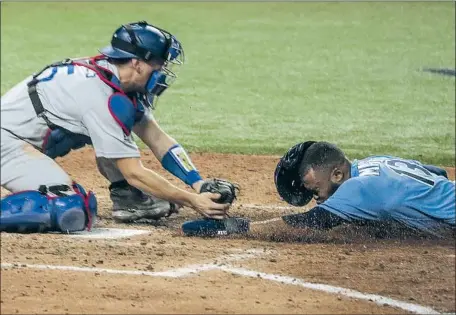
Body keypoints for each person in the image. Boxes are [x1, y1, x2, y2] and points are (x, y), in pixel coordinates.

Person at [1, 21, 232, 233]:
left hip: (23, 142)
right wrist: (191, 200)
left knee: (113, 136)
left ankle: (128, 198)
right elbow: (134, 172)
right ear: (137, 63)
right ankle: (126, 194)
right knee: (70, 208)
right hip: (6, 146)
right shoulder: (98, 96)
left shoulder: (117, 80)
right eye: (159, 65)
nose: (162, 73)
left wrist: (199, 183)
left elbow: (158, 139)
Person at [274, 141, 455, 237]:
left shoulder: (356, 187)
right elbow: (437, 172)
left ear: (337, 175)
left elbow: (309, 222)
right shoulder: (373, 162)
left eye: (316, 191)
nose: (318, 200)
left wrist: (246, 227)